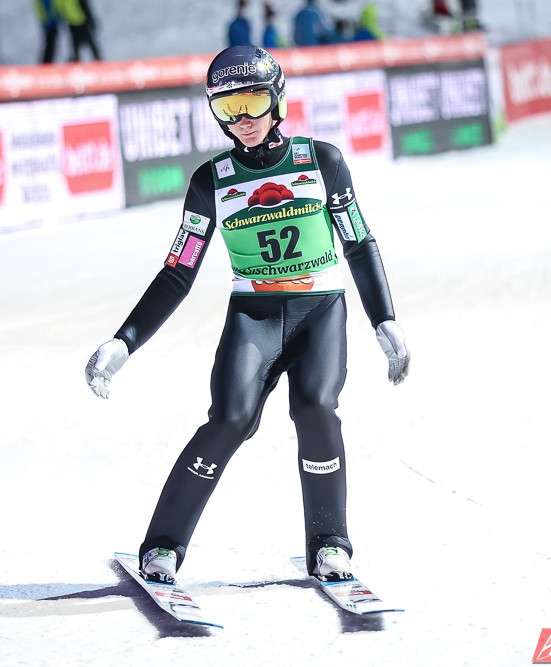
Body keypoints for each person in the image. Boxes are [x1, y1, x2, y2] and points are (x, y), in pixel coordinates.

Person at [85, 45, 410, 583]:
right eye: (227, 107)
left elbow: (358, 242)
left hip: (319, 311)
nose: (243, 119)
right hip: (253, 318)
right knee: (230, 419)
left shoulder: (322, 161)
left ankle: (330, 541)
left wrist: (385, 319)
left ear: (277, 100)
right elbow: (178, 272)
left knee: (315, 407)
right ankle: (163, 545)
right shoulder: (210, 181)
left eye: (254, 101)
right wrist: (124, 341)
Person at [35, 0, 61, 64]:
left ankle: (46, 63)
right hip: (49, 22)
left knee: (50, 45)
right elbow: (48, 7)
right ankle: (46, 64)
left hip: (47, 21)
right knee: (50, 45)